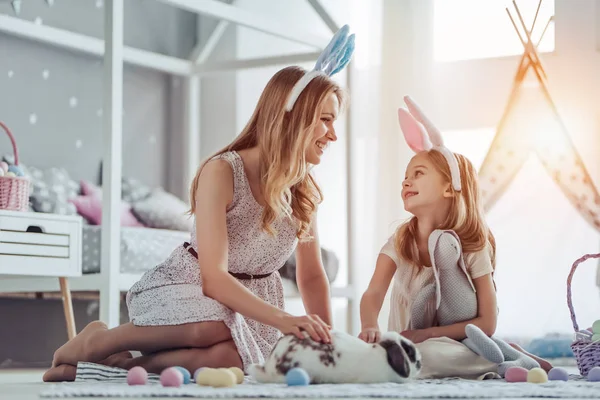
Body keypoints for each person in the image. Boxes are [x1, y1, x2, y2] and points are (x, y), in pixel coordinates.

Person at [43, 26, 356, 382]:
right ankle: (100, 341)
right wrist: (284, 319)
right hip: (187, 286)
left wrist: (330, 349)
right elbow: (213, 280)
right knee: (213, 329)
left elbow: (312, 276)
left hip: (249, 306)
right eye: (326, 120)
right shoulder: (222, 172)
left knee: (230, 358)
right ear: (292, 116)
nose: (332, 135)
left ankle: (117, 367)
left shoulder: (303, 191)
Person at [358, 96, 552, 374]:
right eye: (406, 175)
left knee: (431, 356)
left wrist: (428, 334)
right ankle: (504, 353)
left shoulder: (473, 244)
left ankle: (505, 355)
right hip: (409, 341)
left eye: (418, 173)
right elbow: (373, 293)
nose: (406, 180)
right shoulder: (400, 240)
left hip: (451, 342)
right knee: (408, 357)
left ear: (449, 189)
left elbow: (486, 322)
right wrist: (369, 327)